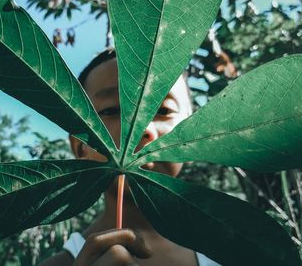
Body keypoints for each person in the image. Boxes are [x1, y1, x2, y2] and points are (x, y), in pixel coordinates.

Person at [39, 49, 220, 266]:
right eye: (111, 110)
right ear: (80, 147)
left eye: (163, 110)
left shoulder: (236, 251)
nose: (141, 128)